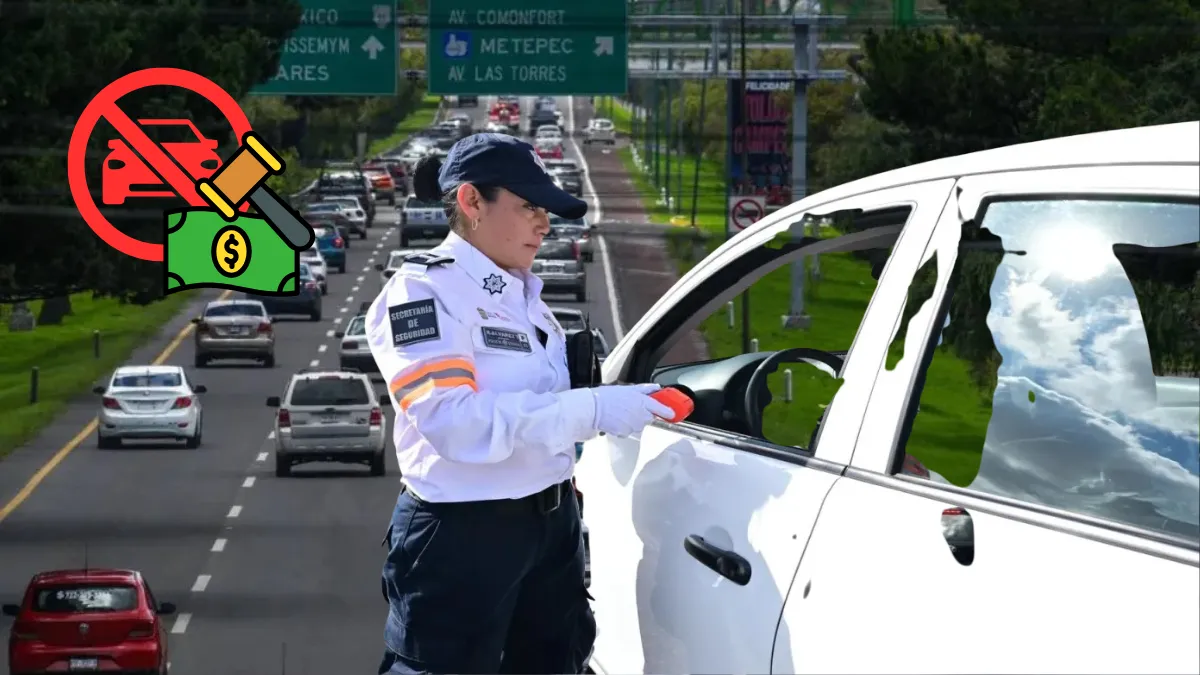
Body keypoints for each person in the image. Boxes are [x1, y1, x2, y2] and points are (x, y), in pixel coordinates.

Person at [367, 132, 675, 675]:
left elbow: (540, 411)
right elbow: (452, 423)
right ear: (470, 202)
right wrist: (596, 410)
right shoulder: (424, 294)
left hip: (551, 525)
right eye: (528, 206)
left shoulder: (524, 299)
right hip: (462, 537)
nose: (545, 224)